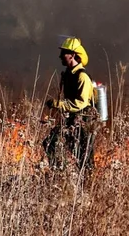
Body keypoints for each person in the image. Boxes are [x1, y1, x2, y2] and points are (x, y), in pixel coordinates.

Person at [42, 37, 98, 171]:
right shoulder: (68, 74)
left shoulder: (82, 76)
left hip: (84, 121)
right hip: (72, 119)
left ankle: (87, 183)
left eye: (64, 53)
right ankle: (59, 174)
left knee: (84, 157)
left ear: (72, 55)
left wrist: (59, 104)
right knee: (50, 144)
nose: (60, 56)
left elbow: (81, 103)